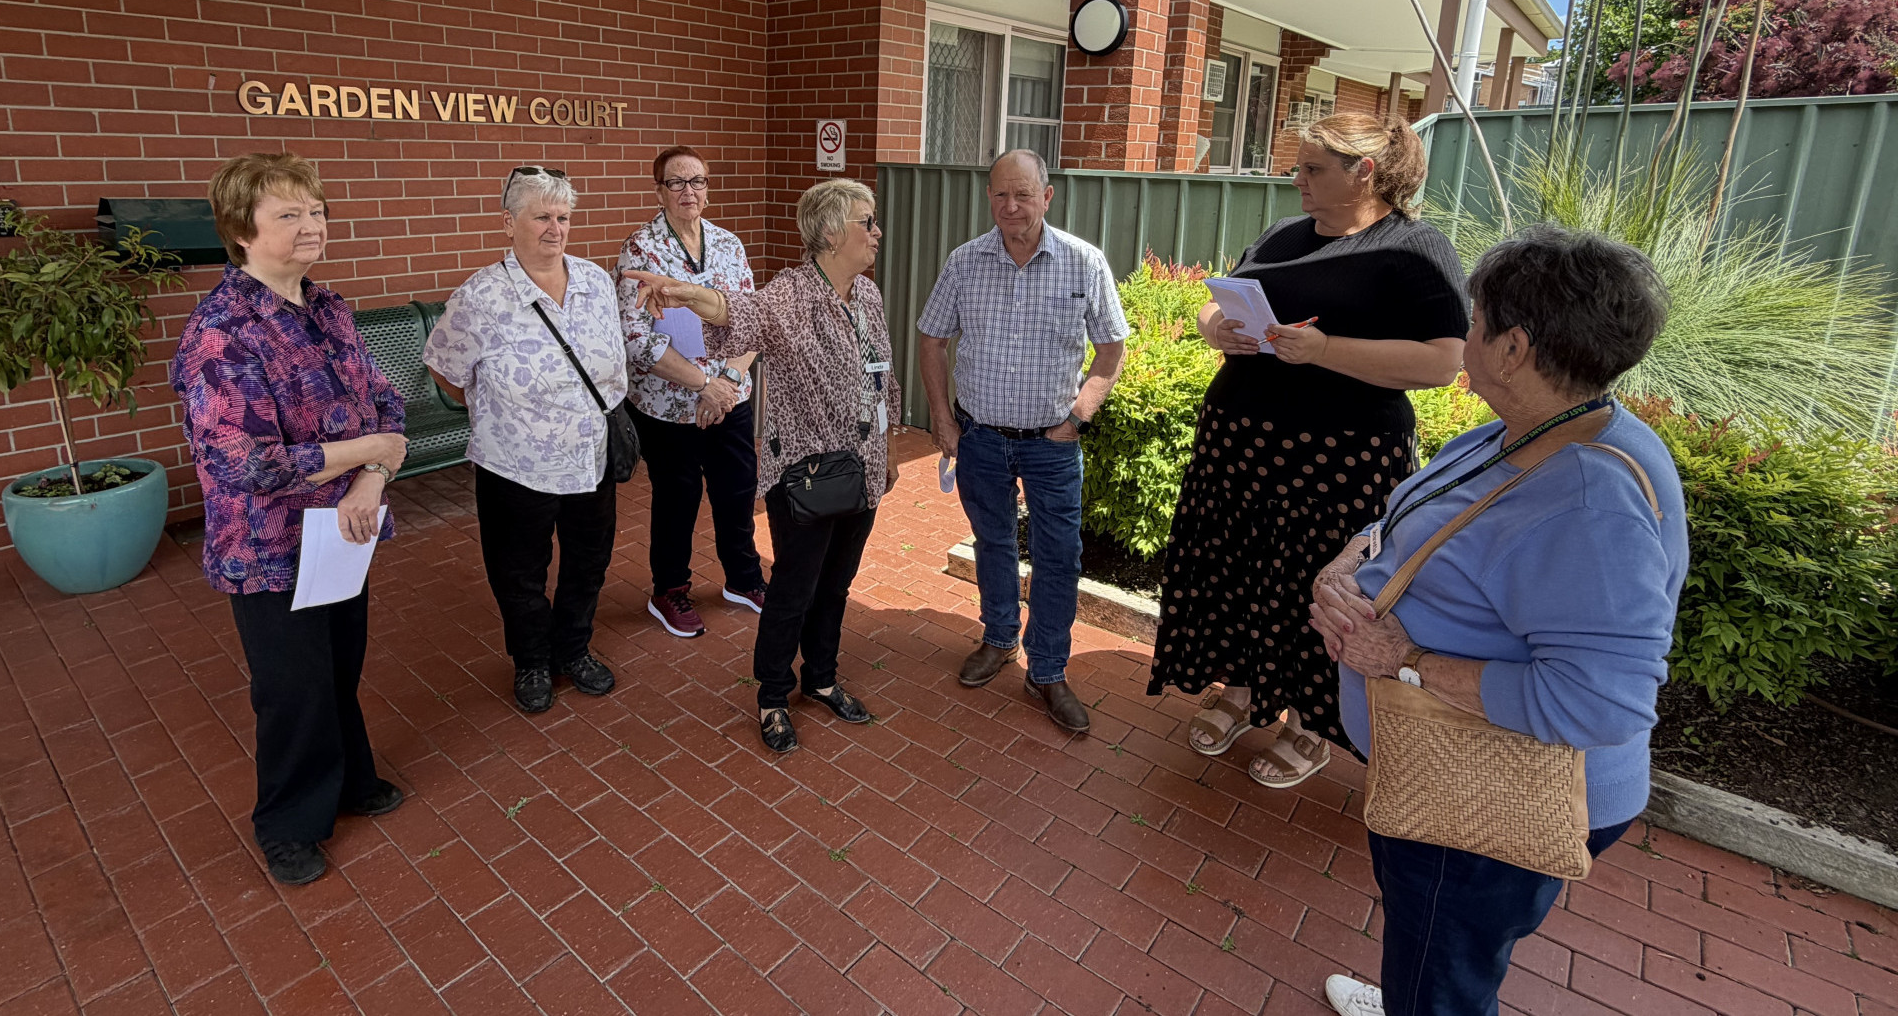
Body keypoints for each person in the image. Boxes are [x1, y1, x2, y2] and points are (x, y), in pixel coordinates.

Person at [1311, 225, 1685, 1016]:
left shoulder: (1589, 500)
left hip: (1479, 808)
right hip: (1446, 780)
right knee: (1435, 944)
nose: (1463, 335)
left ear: (1513, 347)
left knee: (1445, 963)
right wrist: (1350, 564)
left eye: (1474, 321)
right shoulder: (1537, 430)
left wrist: (1402, 657)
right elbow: (1413, 523)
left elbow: (1604, 702)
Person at [1148, 113, 1469, 789]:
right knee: (1238, 569)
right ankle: (1239, 689)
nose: (1298, 179)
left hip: (1340, 458)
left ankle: (1310, 723)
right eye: (1299, 166)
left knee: (1318, 584)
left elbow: (1443, 360)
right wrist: (1219, 329)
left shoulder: (1415, 248)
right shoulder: (1283, 233)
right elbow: (1217, 300)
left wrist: (1326, 352)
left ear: (1366, 172)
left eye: (1313, 168)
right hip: (1241, 444)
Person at [171, 153, 408, 888]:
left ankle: (349, 780)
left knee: (339, 666)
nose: (313, 226)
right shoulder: (220, 333)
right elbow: (246, 462)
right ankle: (287, 824)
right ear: (240, 232)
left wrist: (371, 478)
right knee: (290, 687)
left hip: (345, 527)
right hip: (269, 547)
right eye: (289, 214)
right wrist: (368, 450)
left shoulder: (328, 307)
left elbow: (388, 404)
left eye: (316, 210)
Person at [623, 179, 902, 756]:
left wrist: (889, 448)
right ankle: (773, 694)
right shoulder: (793, 295)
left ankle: (820, 677)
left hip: (865, 466)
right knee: (792, 590)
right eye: (866, 223)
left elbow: (882, 376)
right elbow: (738, 311)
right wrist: (684, 293)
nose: (877, 233)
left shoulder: (867, 295)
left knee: (837, 583)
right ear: (830, 234)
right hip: (808, 476)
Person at [917, 149, 1128, 734]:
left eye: (1023, 195)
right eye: (1000, 195)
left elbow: (1111, 347)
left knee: (1060, 556)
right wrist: (941, 417)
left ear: (1047, 196)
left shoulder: (1083, 263)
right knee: (993, 542)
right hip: (980, 437)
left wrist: (1081, 412)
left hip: (1052, 444)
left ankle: (1050, 668)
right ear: (989, 197)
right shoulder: (965, 263)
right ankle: (1000, 636)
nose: (1011, 207)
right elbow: (932, 338)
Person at [424, 166, 628, 715]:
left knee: (589, 561)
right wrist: (503, 413)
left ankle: (574, 649)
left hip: (590, 456)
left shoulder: (595, 281)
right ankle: (532, 661)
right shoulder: (481, 296)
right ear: (508, 222)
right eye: (541, 216)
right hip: (515, 465)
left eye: (563, 217)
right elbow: (446, 370)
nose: (554, 228)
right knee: (520, 573)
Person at [615, 146, 766, 637]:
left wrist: (727, 383)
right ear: (659, 190)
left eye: (697, 181)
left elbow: (751, 322)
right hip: (668, 405)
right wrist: (704, 384)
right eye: (677, 183)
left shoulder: (729, 245)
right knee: (677, 499)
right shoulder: (640, 250)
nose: (689, 191)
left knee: (737, 491)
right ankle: (670, 589)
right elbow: (637, 338)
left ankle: (743, 578)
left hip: (730, 396)